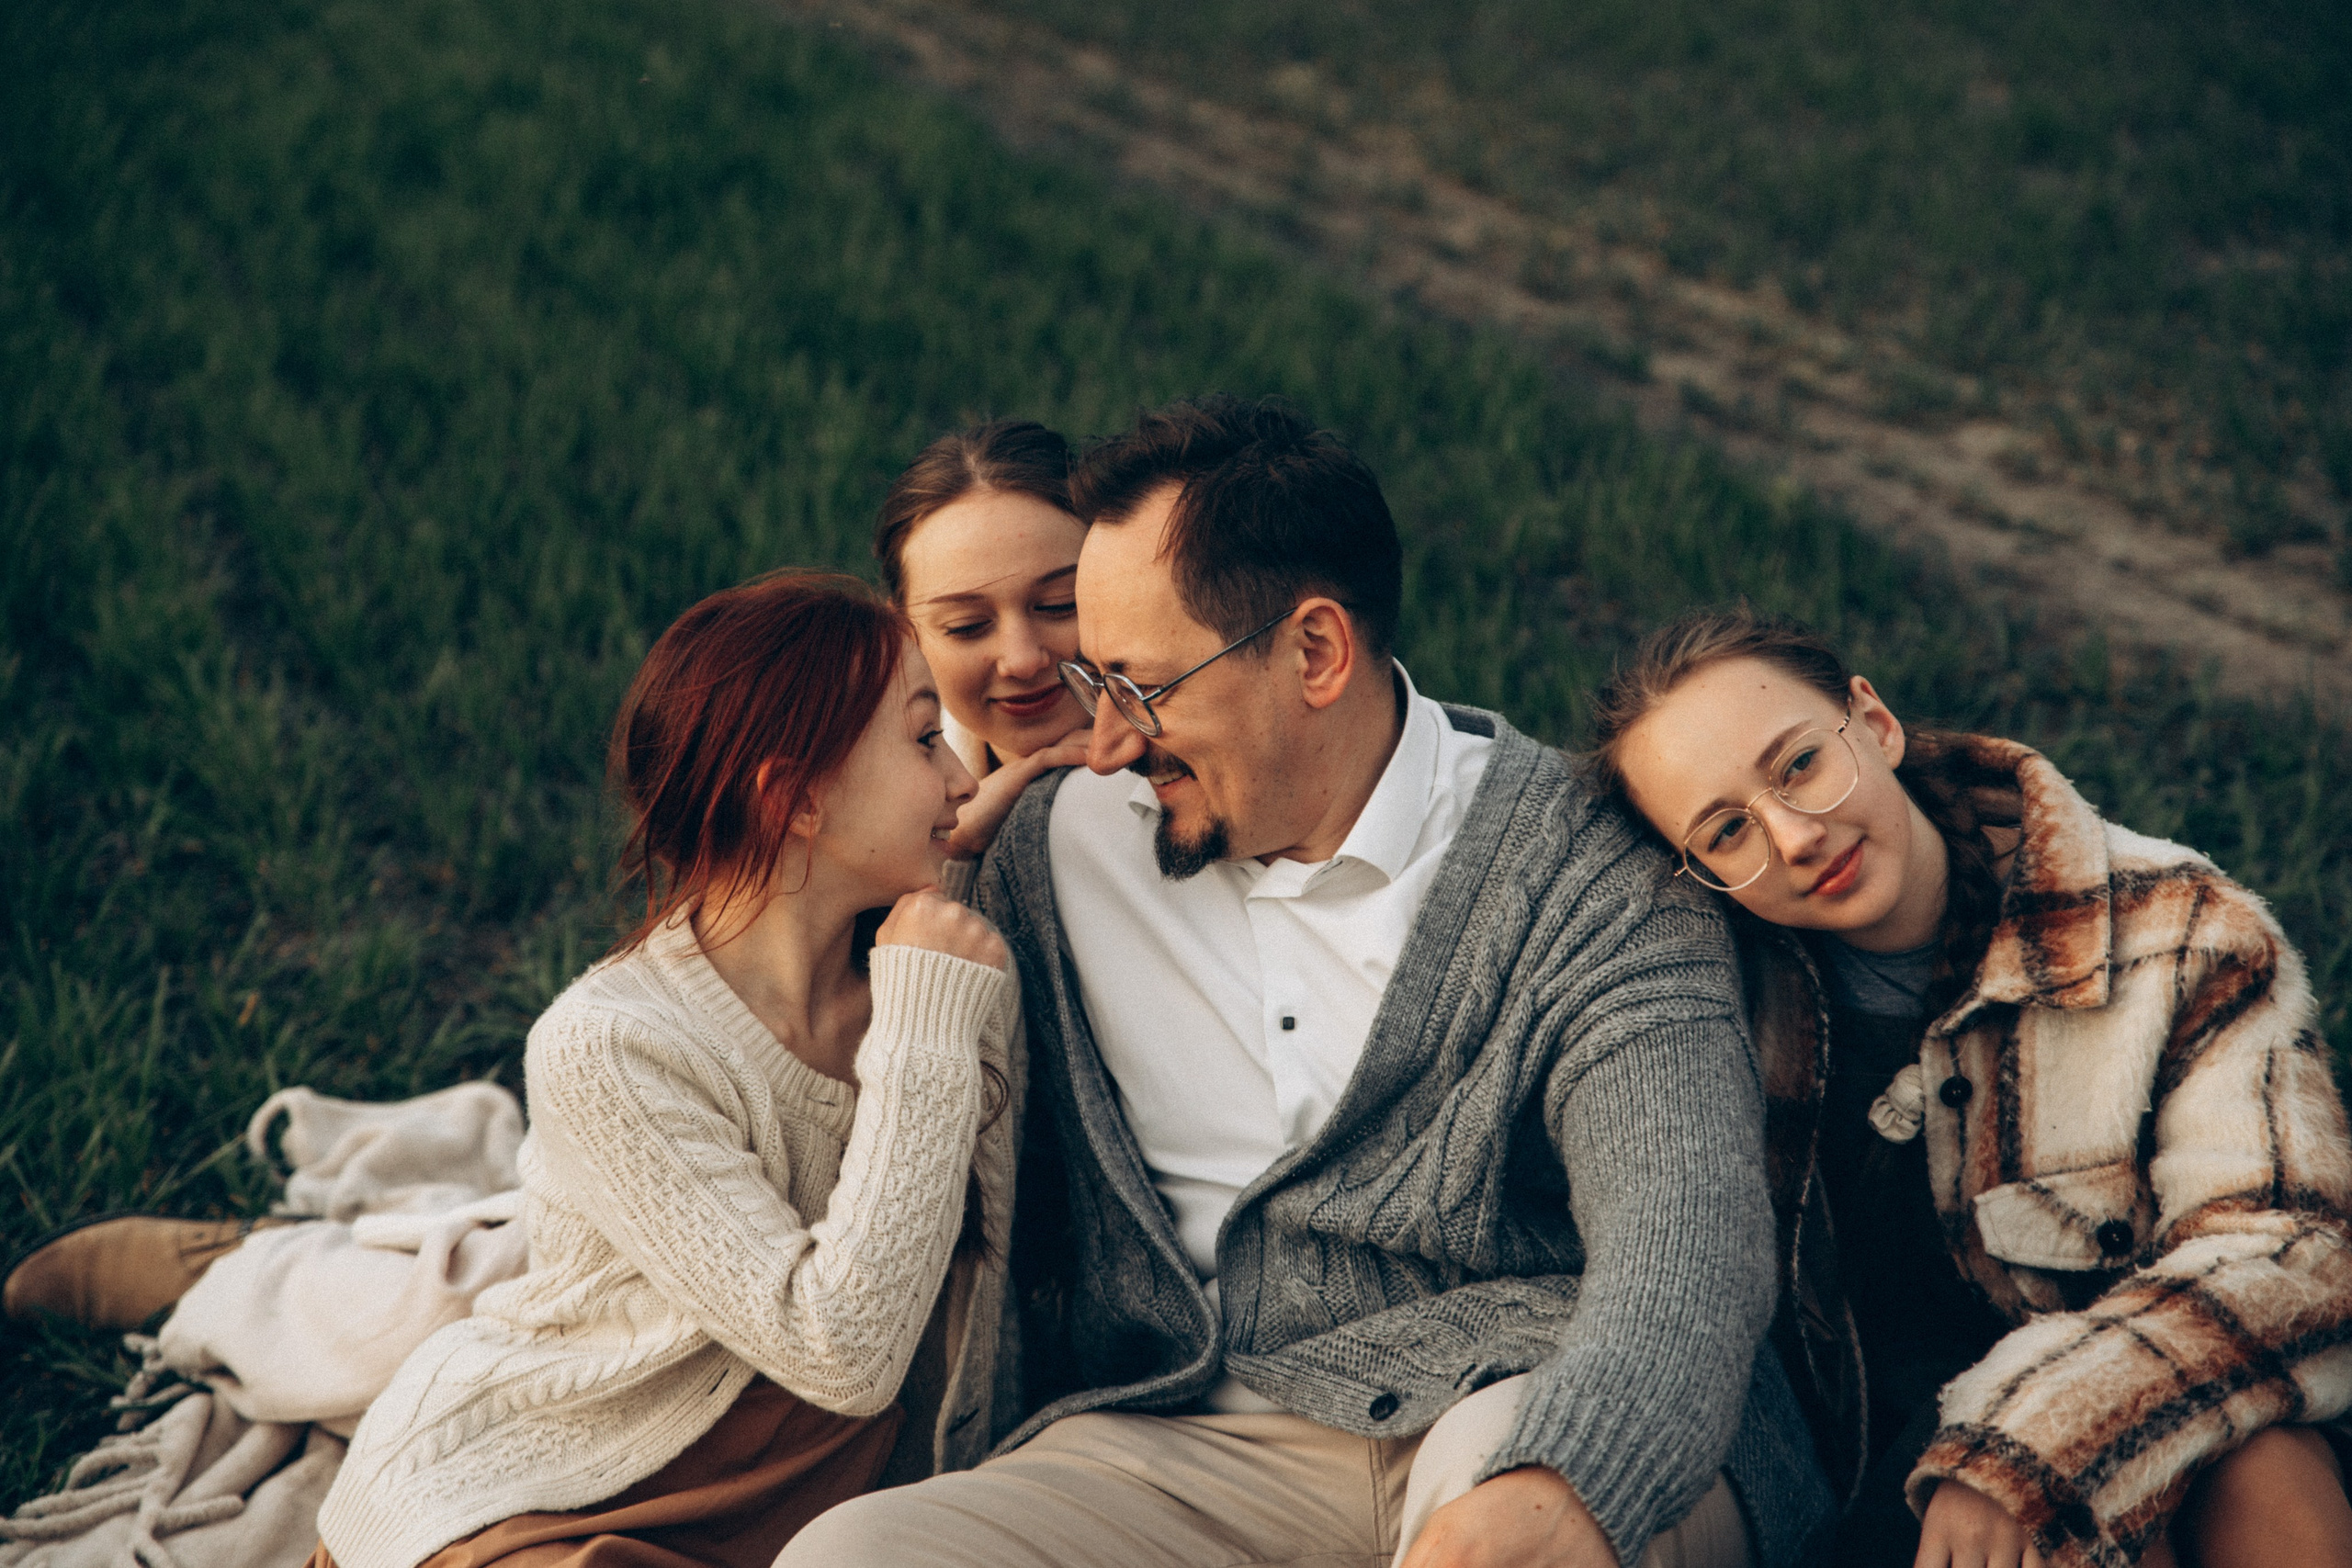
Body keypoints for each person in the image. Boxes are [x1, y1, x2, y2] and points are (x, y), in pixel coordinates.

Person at [782, 395, 1835, 1568]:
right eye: (1100, 690)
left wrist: (1569, 1477)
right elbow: (770, 976)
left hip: (1520, 1389)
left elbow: (1686, 1243)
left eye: (1141, 686)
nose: (1112, 740)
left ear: (1316, 652)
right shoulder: (1038, 852)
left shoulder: (1586, 878)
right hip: (1193, 1439)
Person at [1587, 607, 2352, 1568]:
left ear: (1871, 722)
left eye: (1798, 767)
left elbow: (2293, 1255)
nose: (1792, 838)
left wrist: (2031, 1442)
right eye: (1727, 831)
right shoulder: (1705, 1006)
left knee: (2260, 1465)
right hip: (1877, 1497)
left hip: (2124, 1420)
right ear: (1695, 876)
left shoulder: (2178, 933)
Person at [310, 571, 1023, 1568]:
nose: (958, 777)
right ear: (796, 799)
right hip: (556, 1485)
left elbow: (994, 1270)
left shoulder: (930, 971)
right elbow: (843, 1354)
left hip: (810, 1492)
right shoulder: (612, 1044)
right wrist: (927, 1025)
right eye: (920, 739)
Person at [872, 417, 1092, 873]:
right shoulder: (855, 800)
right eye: (967, 626)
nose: (1023, 660)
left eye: (1058, 606)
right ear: (903, 635)